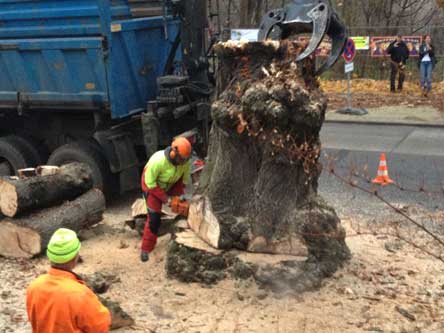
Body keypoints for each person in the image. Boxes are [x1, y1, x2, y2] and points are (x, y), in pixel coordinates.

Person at [26, 228, 111, 333]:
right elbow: (100, 326)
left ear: (50, 256)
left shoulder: (34, 286)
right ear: (75, 257)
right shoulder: (79, 293)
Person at [140, 137, 192, 262]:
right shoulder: (158, 161)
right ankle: (146, 249)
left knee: (182, 207)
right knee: (154, 219)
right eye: (181, 159)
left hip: (171, 183)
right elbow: (149, 183)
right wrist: (165, 199)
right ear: (174, 153)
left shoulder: (184, 163)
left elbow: (182, 181)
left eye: (185, 160)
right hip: (152, 186)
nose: (183, 162)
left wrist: (179, 197)